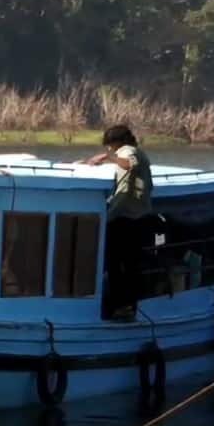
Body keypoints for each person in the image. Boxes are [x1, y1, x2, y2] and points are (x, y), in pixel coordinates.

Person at [86, 124, 154, 319]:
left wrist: (109, 157)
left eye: (109, 145)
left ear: (116, 142)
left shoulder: (129, 151)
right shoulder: (133, 152)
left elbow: (128, 163)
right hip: (133, 217)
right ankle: (124, 305)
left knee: (119, 264)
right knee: (125, 265)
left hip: (128, 218)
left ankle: (121, 306)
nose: (108, 149)